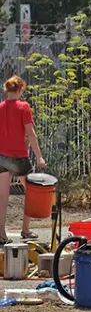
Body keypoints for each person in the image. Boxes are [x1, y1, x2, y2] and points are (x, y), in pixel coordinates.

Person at [0, 75, 45, 244]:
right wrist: (39, 156)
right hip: (19, 156)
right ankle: (25, 230)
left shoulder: (0, 107)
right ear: (20, 90)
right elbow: (31, 134)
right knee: (31, 193)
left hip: (1, 157)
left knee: (2, 197)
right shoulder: (23, 107)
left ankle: (1, 234)